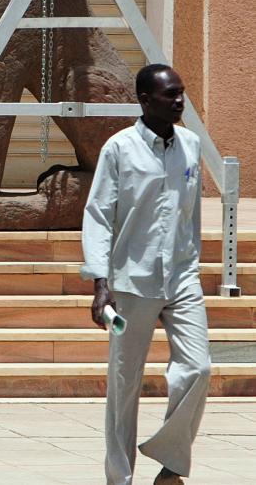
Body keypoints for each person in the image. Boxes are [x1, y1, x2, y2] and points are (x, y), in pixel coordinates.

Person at [81, 64, 210, 485]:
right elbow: (99, 215)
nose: (179, 100)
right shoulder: (119, 149)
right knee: (124, 385)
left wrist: (191, 261)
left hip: (182, 278)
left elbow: (191, 213)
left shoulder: (191, 144)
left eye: (181, 91)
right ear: (144, 100)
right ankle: (120, 478)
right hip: (131, 282)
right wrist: (101, 283)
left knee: (198, 368)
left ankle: (171, 462)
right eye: (170, 94)